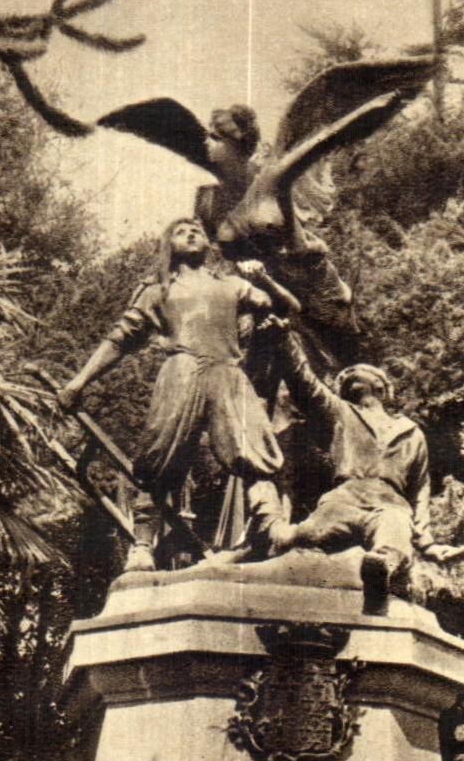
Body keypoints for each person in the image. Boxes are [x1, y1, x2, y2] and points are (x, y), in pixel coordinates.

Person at [56, 217, 294, 567]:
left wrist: (262, 278)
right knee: (161, 453)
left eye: (197, 229)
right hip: (181, 370)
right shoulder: (158, 291)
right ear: (169, 246)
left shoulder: (232, 285)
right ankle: (142, 545)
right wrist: (78, 382)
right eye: (181, 232)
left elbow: (286, 307)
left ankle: (272, 523)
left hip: (226, 371)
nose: (193, 232)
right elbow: (119, 340)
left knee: (252, 448)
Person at [238, 271, 452, 608]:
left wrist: (427, 541)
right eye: (346, 379)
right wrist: (284, 341)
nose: (352, 377)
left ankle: (379, 571)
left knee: (394, 535)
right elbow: (304, 382)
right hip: (343, 496)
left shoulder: (412, 433)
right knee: (303, 538)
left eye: (361, 375)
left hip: (389, 503)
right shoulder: (341, 414)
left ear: (384, 389)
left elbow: (421, 493)